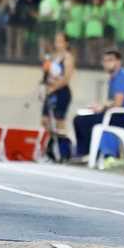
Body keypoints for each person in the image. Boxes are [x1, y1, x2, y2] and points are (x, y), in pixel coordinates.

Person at [73, 49, 124, 161]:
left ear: (119, 62)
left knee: (80, 120)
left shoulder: (121, 77)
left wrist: (103, 108)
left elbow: (118, 104)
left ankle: (88, 153)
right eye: (104, 61)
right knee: (86, 118)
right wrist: (100, 107)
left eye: (110, 60)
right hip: (119, 115)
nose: (107, 63)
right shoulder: (114, 78)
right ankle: (90, 153)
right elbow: (114, 102)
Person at [40, 31, 75, 161]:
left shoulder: (68, 57)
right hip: (50, 91)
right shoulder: (52, 57)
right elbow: (47, 74)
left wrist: (54, 88)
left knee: (59, 123)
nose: (58, 44)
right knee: (45, 121)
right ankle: (50, 150)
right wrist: (44, 87)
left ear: (66, 43)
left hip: (61, 92)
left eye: (60, 41)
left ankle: (64, 152)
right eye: (56, 41)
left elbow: (66, 78)